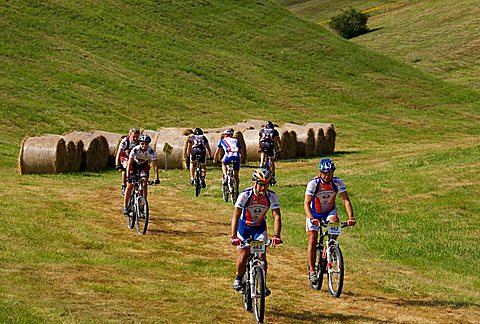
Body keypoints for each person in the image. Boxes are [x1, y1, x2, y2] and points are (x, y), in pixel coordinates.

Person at [304, 158, 356, 287]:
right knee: (313, 238)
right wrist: (312, 218)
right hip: (314, 213)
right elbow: (306, 203)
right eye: (325, 173)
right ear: (320, 172)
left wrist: (351, 217)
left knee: (335, 224)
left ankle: (329, 248)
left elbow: (345, 200)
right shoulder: (313, 183)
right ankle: (311, 270)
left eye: (330, 173)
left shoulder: (337, 182)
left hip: (329, 212)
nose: (327, 176)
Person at [230, 168, 282, 296]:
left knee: (261, 255)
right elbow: (235, 216)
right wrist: (233, 236)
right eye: (261, 185)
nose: (263, 189)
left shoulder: (271, 196)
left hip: (259, 227)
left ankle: (262, 284)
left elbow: (277, 216)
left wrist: (276, 235)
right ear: (255, 183)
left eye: (266, 185)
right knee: (243, 254)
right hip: (244, 227)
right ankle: (238, 278)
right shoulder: (245, 195)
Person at [122, 134, 160, 215]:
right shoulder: (135, 150)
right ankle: (125, 206)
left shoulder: (151, 151)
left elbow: (155, 166)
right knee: (130, 185)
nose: (144, 145)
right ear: (139, 143)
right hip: (134, 166)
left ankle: (143, 205)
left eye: (146, 144)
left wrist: (157, 178)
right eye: (142, 143)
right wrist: (128, 176)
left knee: (144, 184)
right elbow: (129, 164)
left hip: (143, 166)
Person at [115, 128, 140, 196]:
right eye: (133, 136)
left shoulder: (139, 142)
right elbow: (119, 153)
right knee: (126, 167)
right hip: (124, 157)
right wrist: (117, 164)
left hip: (133, 158)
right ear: (130, 135)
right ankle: (123, 185)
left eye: (137, 137)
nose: (135, 138)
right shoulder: (125, 141)